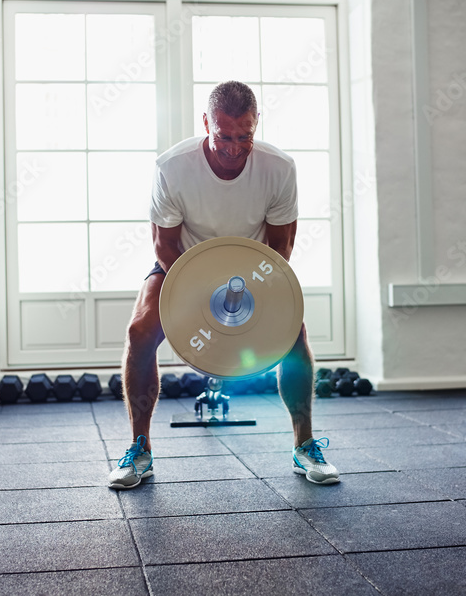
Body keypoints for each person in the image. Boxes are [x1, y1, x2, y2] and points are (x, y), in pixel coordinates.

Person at [107, 80, 339, 490]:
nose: (234, 148)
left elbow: (281, 247)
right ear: (205, 124)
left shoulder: (279, 168)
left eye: (244, 136)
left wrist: (247, 292)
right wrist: (199, 298)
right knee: (140, 331)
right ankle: (138, 448)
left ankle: (304, 445)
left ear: (256, 125)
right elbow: (164, 245)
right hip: (181, 262)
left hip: (252, 267)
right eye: (223, 136)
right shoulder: (172, 167)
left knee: (294, 333)